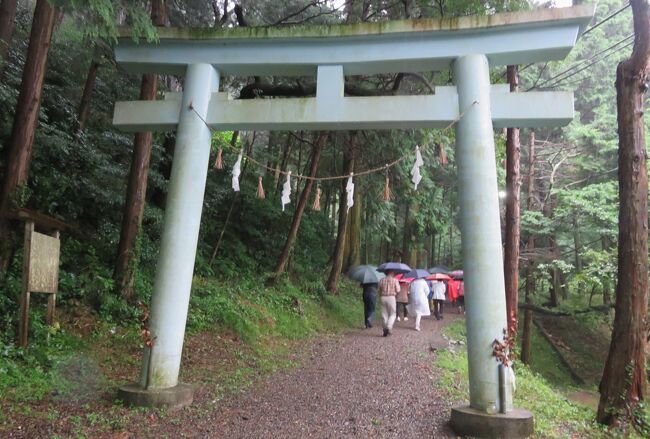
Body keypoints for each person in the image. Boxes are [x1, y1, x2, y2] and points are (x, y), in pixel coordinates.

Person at [378, 270, 400, 336]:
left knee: (384, 313)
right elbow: (398, 290)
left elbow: (379, 288)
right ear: (392, 273)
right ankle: (389, 327)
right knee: (393, 313)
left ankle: (385, 328)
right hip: (391, 297)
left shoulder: (382, 280)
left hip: (383, 297)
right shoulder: (395, 280)